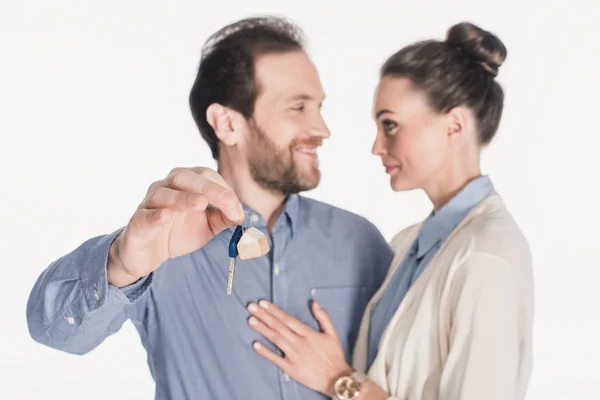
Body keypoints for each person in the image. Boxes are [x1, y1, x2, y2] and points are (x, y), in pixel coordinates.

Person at [25, 16, 394, 400]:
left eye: (318, 106)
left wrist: (343, 381)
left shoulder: (362, 243)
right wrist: (121, 263)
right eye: (298, 107)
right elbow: (53, 332)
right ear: (227, 124)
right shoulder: (158, 245)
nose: (322, 128)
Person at [245, 22, 534, 400]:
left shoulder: (486, 255)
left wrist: (340, 380)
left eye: (391, 125)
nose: (377, 146)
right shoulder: (407, 244)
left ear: (455, 125)